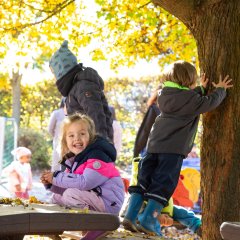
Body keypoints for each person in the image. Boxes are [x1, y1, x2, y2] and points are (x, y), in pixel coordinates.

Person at [123, 60, 233, 236]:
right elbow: (208, 103)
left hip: (153, 147)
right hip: (172, 151)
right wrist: (220, 89)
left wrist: (200, 90)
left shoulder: (165, 95)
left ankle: (130, 215)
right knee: (163, 184)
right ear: (189, 81)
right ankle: (149, 218)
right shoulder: (190, 100)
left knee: (144, 180)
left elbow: (186, 100)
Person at [40, 113, 125, 240]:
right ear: (65, 140)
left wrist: (57, 177)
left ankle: (97, 225)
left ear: (90, 136)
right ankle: (53, 227)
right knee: (57, 196)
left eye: (82, 134)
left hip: (107, 204)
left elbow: (85, 183)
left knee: (70, 194)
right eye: (71, 135)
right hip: (94, 199)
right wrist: (51, 183)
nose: (77, 138)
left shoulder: (97, 156)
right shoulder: (74, 161)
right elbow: (66, 187)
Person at [49, 40, 113, 142]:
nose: (54, 78)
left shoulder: (84, 86)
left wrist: (99, 145)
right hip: (84, 146)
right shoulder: (73, 89)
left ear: (61, 71)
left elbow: (96, 115)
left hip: (94, 147)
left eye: (54, 73)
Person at [48, 97, 66, 171]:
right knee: (57, 163)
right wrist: (56, 137)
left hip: (72, 143)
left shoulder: (75, 113)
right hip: (58, 142)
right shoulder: (56, 113)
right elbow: (50, 129)